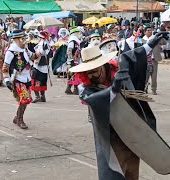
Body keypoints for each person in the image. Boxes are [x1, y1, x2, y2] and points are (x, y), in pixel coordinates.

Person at [69, 32, 168, 180]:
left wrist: (150, 44)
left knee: (132, 175)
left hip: (131, 135)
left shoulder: (116, 71)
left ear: (103, 66)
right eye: (88, 73)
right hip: (110, 140)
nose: (92, 76)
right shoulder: (85, 88)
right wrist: (114, 89)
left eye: (95, 70)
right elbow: (94, 100)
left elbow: (130, 57)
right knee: (113, 175)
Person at [2, 30, 33, 129]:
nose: (24, 40)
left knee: (25, 100)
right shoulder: (11, 52)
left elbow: (33, 57)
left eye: (24, 38)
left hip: (27, 77)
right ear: (16, 39)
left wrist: (43, 50)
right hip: (17, 79)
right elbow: (5, 67)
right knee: (25, 99)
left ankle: (17, 117)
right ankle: (20, 120)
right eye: (22, 38)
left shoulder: (25, 49)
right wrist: (6, 80)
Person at [142, 26, 166, 95]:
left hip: (154, 59)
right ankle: (144, 89)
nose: (150, 31)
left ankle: (154, 90)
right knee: (145, 75)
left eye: (151, 30)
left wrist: (161, 36)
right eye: (148, 30)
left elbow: (164, 42)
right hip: (145, 60)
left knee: (154, 76)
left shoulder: (155, 37)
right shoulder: (142, 39)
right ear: (145, 32)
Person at [31, 31, 50, 103]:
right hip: (44, 65)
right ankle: (42, 96)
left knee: (36, 80)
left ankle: (37, 96)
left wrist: (37, 53)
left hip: (39, 65)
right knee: (43, 81)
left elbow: (41, 52)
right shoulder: (45, 43)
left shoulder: (42, 44)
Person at [65, 27, 83, 95]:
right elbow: (69, 51)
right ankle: (75, 89)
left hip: (76, 60)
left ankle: (69, 88)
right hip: (72, 61)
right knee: (74, 75)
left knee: (74, 75)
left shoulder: (76, 41)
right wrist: (71, 60)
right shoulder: (72, 41)